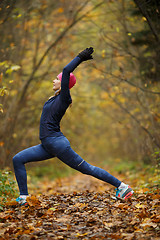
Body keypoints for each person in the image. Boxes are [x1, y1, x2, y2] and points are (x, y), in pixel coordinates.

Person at [13, 47, 134, 206]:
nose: (54, 81)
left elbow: (66, 70)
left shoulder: (64, 98)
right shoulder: (53, 99)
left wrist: (80, 57)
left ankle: (122, 187)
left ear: (64, 83)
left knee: (87, 169)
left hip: (57, 144)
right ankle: (24, 198)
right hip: (48, 145)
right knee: (18, 159)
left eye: (57, 79)